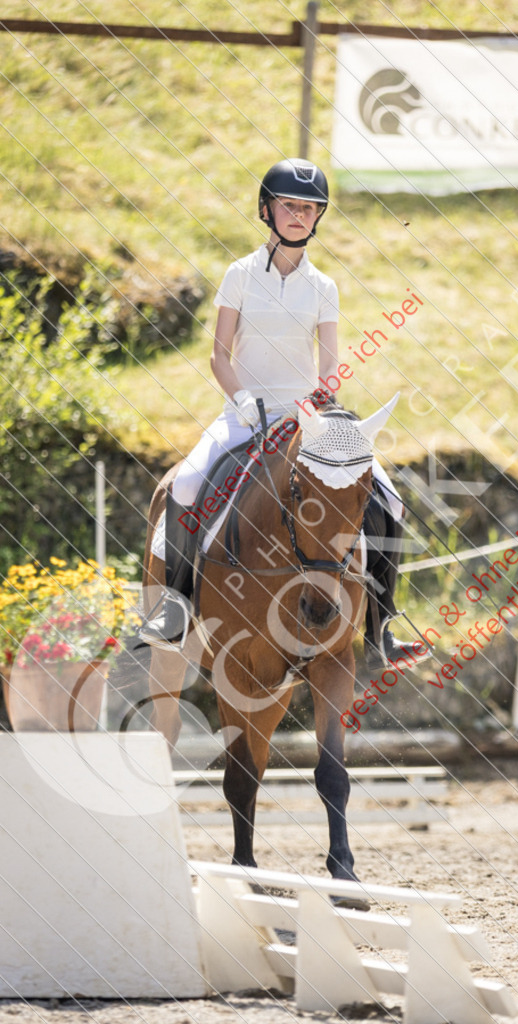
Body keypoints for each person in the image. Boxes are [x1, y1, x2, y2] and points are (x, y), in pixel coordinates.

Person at [140, 157, 428, 671]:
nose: (299, 215)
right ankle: (176, 607)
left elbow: (330, 363)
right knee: (184, 485)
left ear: (319, 217)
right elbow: (219, 355)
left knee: (390, 499)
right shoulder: (240, 274)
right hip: (244, 413)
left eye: (309, 208)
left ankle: (382, 625)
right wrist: (241, 400)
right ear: (266, 210)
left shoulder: (324, 286)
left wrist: (321, 401)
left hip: (305, 420)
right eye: (289, 205)